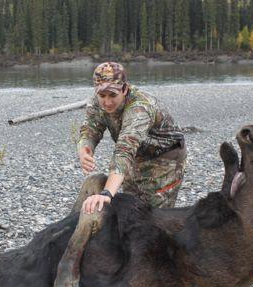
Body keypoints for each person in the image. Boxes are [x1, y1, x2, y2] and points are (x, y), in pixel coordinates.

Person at [77, 62, 187, 214]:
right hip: (136, 156)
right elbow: (90, 128)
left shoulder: (140, 108)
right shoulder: (97, 101)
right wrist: (84, 149)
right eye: (102, 95)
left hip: (164, 159)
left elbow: (124, 149)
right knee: (130, 208)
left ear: (125, 89)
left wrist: (106, 194)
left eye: (112, 95)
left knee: (154, 217)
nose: (107, 102)